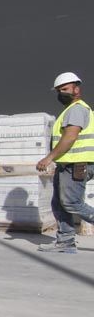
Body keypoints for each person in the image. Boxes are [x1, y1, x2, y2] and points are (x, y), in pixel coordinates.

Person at [36, 72, 94, 254]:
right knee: (59, 204)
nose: (62, 93)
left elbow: (70, 137)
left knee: (72, 202)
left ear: (77, 89)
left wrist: (49, 157)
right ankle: (66, 241)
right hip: (68, 165)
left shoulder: (77, 109)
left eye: (65, 89)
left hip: (77, 165)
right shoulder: (70, 110)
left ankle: (66, 241)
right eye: (60, 90)